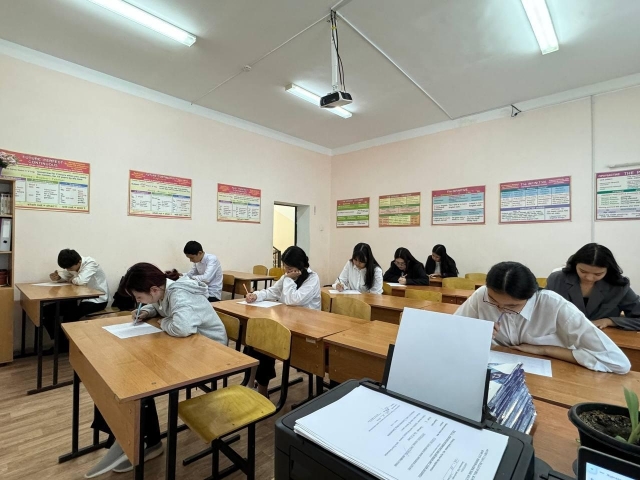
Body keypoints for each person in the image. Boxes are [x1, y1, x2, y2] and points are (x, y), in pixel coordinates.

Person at [85, 263, 227, 478]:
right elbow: (162, 307)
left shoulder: (179, 294)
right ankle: (134, 439)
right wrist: (147, 310)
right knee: (126, 371)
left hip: (211, 353)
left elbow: (182, 327)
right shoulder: (162, 290)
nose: (138, 301)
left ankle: (142, 441)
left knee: (141, 377)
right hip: (189, 346)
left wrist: (162, 322)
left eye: (139, 298)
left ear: (153, 289)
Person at [455, 261, 630, 374]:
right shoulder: (482, 295)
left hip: (557, 374)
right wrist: (476, 335)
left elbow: (618, 363)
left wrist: (544, 350)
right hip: (501, 370)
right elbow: (452, 332)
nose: (500, 309)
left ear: (532, 294)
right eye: (493, 301)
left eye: (512, 306)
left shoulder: (555, 306)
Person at [245, 246, 320, 396]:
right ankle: (250, 382)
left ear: (300, 266)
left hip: (305, 328)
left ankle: (262, 389)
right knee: (257, 338)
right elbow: (273, 291)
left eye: (289, 268)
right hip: (287, 321)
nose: (286, 271)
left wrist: (289, 279)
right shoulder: (288, 276)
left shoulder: (312, 279)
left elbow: (293, 300)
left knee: (267, 342)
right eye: (285, 267)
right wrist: (256, 295)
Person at [547, 243, 640, 330]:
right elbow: (543, 312)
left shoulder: (618, 286)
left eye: (598, 274)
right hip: (562, 333)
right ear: (575, 265)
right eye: (583, 271)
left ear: (608, 270)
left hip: (603, 336)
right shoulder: (557, 279)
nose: (589, 278)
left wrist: (610, 321)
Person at [43, 249, 109, 353]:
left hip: (97, 300)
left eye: (70, 268)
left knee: (70, 315)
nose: (68, 270)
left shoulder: (91, 263)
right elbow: (67, 276)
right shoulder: (73, 264)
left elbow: (80, 281)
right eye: (66, 268)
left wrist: (70, 279)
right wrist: (58, 278)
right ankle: (62, 344)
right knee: (44, 311)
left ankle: (65, 346)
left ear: (79, 262)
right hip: (79, 298)